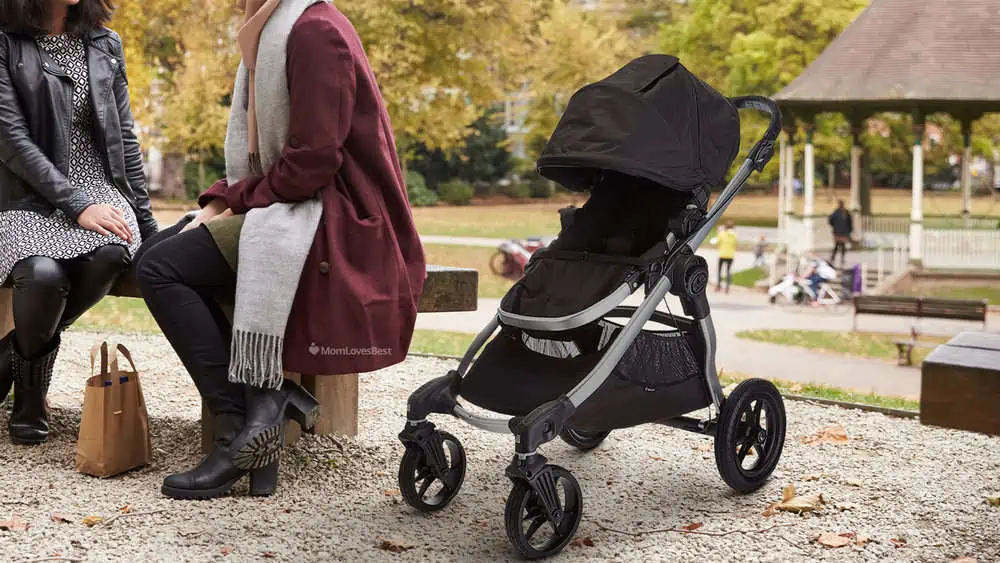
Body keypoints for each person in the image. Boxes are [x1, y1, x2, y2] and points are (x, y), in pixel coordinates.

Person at [135, 0, 426, 499]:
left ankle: (240, 428)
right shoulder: (272, 27)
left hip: (337, 215)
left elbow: (312, 162)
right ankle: (261, 411)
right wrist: (223, 199)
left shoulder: (313, 31)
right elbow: (272, 159)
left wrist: (235, 200)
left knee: (162, 267)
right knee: (155, 254)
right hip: (298, 200)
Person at [0, 0, 157, 445]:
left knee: (110, 253)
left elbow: (125, 139)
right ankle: (30, 400)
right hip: (25, 196)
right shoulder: (5, 42)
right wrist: (74, 206)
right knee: (43, 277)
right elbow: (10, 139)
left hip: (100, 191)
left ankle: (9, 362)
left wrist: (148, 230)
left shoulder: (104, 43)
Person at [713, 221, 738, 293]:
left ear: (725, 227)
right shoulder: (734, 235)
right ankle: (727, 288)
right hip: (730, 255)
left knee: (719, 271)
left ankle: (718, 286)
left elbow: (717, 242)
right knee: (728, 272)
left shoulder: (722, 234)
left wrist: (719, 232)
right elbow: (735, 245)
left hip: (722, 254)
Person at [828, 199, 852, 267]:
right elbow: (831, 220)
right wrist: (835, 227)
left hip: (844, 232)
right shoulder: (836, 212)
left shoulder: (846, 212)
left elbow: (849, 222)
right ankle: (833, 257)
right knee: (837, 245)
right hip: (838, 232)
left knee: (843, 246)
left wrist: (849, 230)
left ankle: (842, 258)